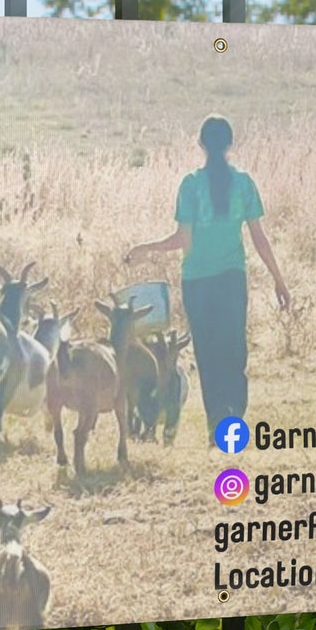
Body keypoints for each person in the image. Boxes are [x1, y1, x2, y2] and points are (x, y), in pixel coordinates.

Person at [125, 116, 289, 436]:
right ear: (230, 144)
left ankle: (217, 424)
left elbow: (182, 240)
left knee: (208, 355)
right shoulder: (243, 183)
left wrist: (146, 249)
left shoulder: (190, 184)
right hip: (231, 281)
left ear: (200, 144)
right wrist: (278, 280)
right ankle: (232, 422)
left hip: (197, 283)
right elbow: (259, 238)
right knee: (233, 353)